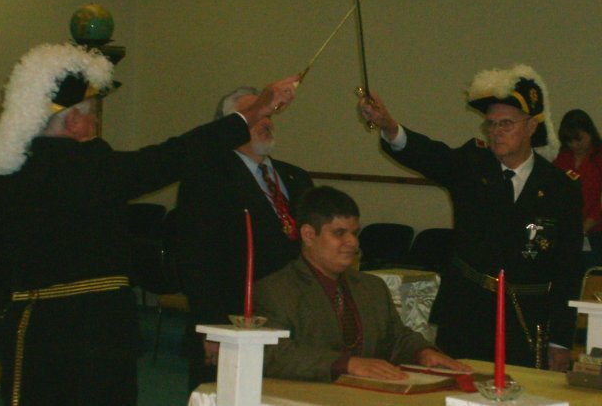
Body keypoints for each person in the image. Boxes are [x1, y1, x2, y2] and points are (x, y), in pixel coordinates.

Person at [0, 42, 298, 406]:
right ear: (73, 120)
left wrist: (9, 328)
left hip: (31, 330)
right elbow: (173, 156)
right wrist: (252, 113)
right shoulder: (90, 164)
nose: (95, 124)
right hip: (101, 331)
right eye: (91, 116)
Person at [358, 64, 583, 372]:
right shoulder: (472, 166)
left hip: (526, 318)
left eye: (506, 123)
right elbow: (429, 155)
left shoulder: (560, 187)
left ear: (531, 126)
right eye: (491, 124)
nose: (496, 132)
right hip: (467, 313)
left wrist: (561, 341)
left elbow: (568, 269)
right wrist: (389, 125)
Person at [173, 86, 313, 391]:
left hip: (294, 321)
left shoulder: (297, 177)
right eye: (255, 115)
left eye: (268, 114)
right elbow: (196, 258)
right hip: (234, 318)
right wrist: (211, 328)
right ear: (228, 127)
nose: (266, 121)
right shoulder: (207, 178)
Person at [253, 186, 469, 382]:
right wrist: (346, 364)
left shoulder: (372, 287)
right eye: (339, 233)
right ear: (308, 235)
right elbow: (272, 353)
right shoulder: (275, 290)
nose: (353, 242)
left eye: (355, 233)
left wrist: (422, 352)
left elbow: (396, 338)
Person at [554, 109, 602, 269]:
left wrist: (585, 227)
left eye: (579, 139)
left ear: (590, 132)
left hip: (596, 233)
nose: (574, 145)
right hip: (567, 232)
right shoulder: (563, 157)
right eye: (569, 141)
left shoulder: (599, 157)